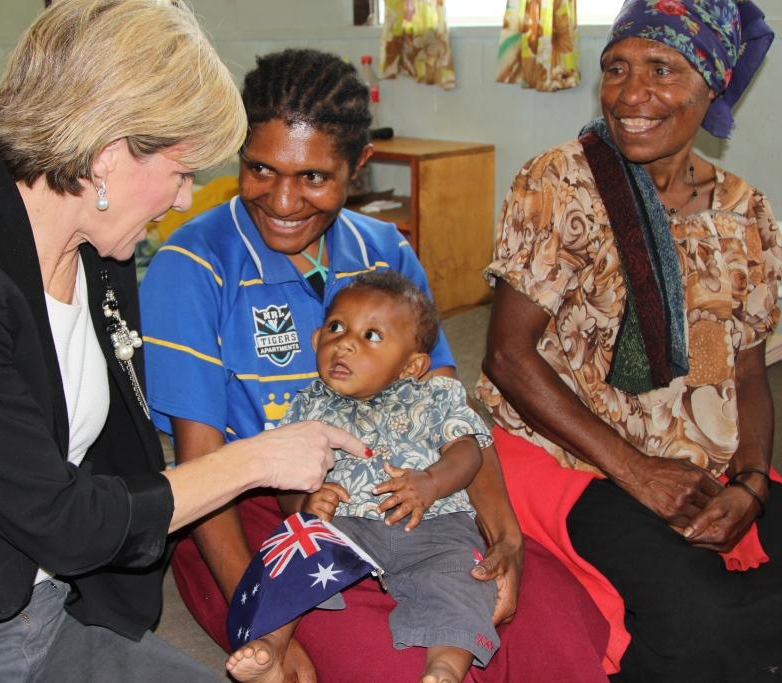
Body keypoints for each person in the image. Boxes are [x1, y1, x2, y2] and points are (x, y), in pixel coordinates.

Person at [0, 3, 366, 681]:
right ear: (108, 154)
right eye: (181, 172)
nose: (183, 199)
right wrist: (253, 459)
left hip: (50, 613)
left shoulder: (99, 255)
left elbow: (121, 457)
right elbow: (62, 518)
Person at [141, 47, 609, 683]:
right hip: (261, 508)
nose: (281, 199)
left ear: (357, 168)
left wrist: (507, 539)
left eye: (313, 177)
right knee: (385, 661)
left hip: (414, 498)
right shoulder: (191, 265)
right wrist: (264, 616)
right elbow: (202, 467)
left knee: (550, 623)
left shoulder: (384, 250)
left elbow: (451, 414)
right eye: (260, 168)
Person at [475, 1, 781, 680]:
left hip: (695, 453)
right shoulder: (559, 184)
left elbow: (742, 367)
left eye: (662, 69)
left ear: (713, 84)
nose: (631, 94)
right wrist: (637, 470)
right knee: (700, 615)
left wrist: (753, 483)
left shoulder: (743, 210)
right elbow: (506, 355)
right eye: (616, 69)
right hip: (563, 448)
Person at [228, 271, 498, 683]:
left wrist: (431, 482)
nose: (346, 342)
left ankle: (444, 669)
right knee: (293, 552)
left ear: (412, 365)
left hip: (437, 526)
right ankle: (270, 646)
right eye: (336, 327)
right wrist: (304, 505)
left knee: (465, 580)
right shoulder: (308, 407)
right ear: (316, 339)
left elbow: (467, 451)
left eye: (372, 336)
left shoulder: (432, 395)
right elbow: (285, 478)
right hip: (348, 524)